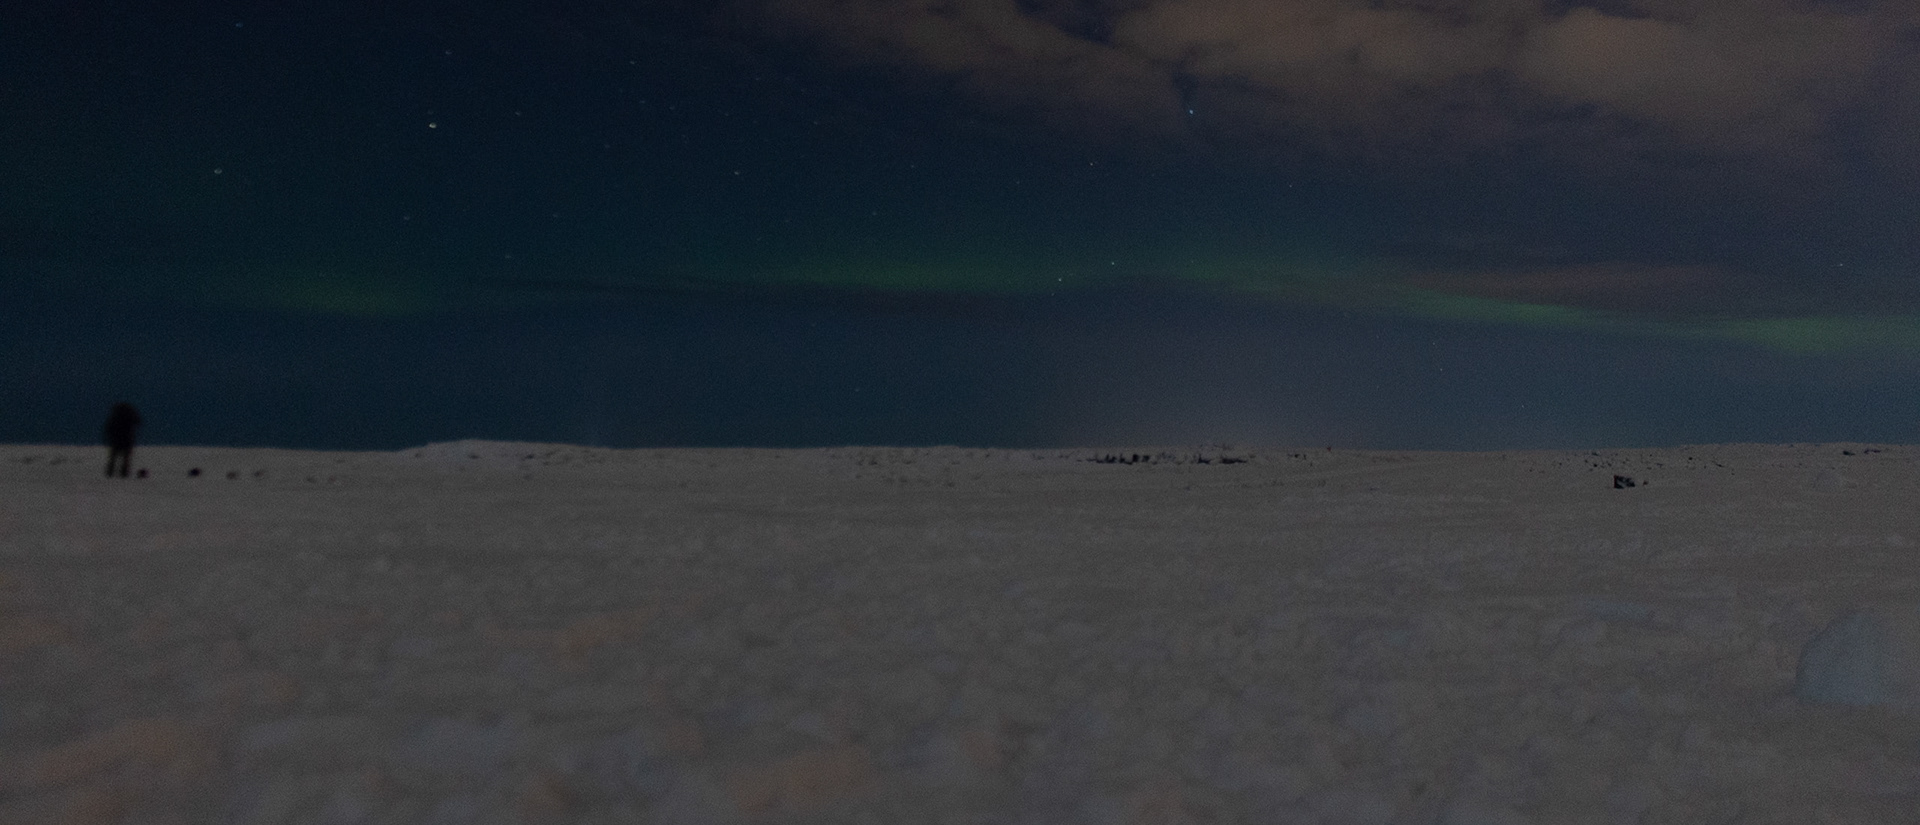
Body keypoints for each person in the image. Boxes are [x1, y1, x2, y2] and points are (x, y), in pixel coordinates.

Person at [103, 402, 140, 478]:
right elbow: (138, 422)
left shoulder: (115, 417)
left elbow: (109, 428)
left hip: (116, 440)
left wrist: (107, 438)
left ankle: (110, 473)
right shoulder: (130, 416)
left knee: (113, 458)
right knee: (125, 459)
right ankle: (124, 473)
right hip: (127, 440)